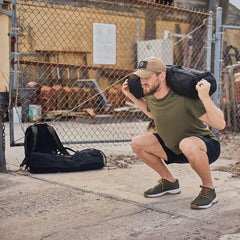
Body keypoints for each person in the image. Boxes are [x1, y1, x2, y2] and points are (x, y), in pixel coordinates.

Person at [122, 56, 226, 209]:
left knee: (187, 144)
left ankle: (209, 189)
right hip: (174, 148)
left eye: (147, 77)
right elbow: (153, 113)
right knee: (138, 143)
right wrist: (131, 96)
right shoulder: (150, 95)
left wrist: (204, 97)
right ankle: (169, 182)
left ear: (162, 76)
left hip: (204, 146)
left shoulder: (184, 98)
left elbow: (220, 124)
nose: (143, 81)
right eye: (140, 77)